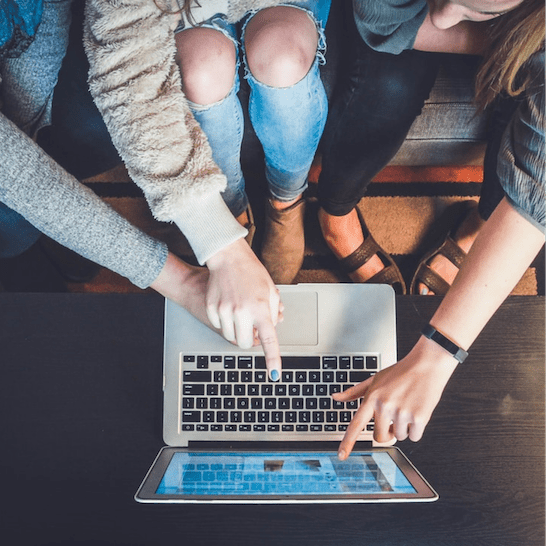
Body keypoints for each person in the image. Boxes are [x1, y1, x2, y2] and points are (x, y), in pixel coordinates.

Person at [0, 0, 282, 377]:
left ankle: (63, 230)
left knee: (100, 128)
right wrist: (187, 276)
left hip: (34, 81)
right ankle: (38, 246)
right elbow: (18, 175)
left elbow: (124, 48)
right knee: (13, 226)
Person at [318, 0, 545, 457]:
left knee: (524, 83)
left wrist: (436, 355)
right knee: (390, 84)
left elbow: (539, 187)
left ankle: (481, 223)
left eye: (475, 7)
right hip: (398, 14)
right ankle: (335, 211)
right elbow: (382, 21)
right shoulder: (440, 13)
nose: (445, 15)